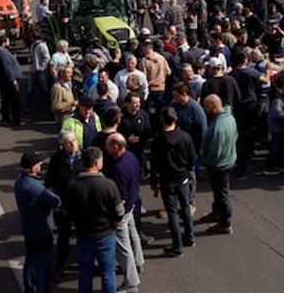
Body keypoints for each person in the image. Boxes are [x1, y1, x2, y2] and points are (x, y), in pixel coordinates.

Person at [64, 147, 124, 293]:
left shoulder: (73, 185)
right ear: (97, 163)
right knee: (108, 272)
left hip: (84, 234)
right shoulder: (108, 185)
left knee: (85, 271)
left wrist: (72, 221)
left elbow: (66, 210)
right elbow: (119, 211)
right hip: (105, 233)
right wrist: (115, 222)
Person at [149, 107, 196, 257]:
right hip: (182, 178)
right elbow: (192, 159)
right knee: (186, 207)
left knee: (172, 212)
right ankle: (189, 237)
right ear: (175, 119)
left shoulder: (158, 140)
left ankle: (177, 246)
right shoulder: (185, 137)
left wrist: (153, 181)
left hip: (167, 180)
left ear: (162, 120)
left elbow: (154, 163)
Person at [14, 150, 60, 293]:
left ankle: (29, 286)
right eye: (38, 163)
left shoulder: (20, 182)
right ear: (32, 168)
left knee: (30, 260)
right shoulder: (33, 187)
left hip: (29, 228)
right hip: (41, 229)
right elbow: (54, 201)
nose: (41, 165)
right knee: (43, 264)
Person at [104, 134, 145, 293]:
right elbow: (140, 175)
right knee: (133, 233)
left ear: (115, 147)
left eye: (108, 146)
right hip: (132, 204)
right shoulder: (131, 157)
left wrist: (116, 218)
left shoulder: (118, 168)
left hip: (122, 210)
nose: (106, 149)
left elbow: (120, 198)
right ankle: (139, 261)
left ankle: (131, 282)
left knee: (122, 247)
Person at [44, 130, 82, 280]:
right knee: (63, 237)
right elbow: (50, 183)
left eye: (74, 140)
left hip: (81, 205)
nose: (73, 144)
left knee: (84, 236)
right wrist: (55, 203)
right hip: (63, 206)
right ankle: (60, 265)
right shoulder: (56, 159)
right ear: (62, 145)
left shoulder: (84, 157)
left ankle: (86, 264)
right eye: (68, 142)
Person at [200, 94, 238, 234]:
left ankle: (225, 223)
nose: (204, 109)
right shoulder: (229, 118)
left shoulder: (219, 126)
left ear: (214, 106)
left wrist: (205, 163)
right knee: (218, 192)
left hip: (219, 165)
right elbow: (235, 136)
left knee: (222, 193)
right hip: (227, 160)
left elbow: (214, 151)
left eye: (206, 106)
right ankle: (217, 212)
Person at [0, 34, 22, 125]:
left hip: (2, 79)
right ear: (4, 42)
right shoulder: (3, 54)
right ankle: (16, 120)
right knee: (15, 100)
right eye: (8, 41)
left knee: (6, 99)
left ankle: (6, 119)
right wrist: (13, 80)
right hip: (7, 80)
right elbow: (7, 68)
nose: (9, 43)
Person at [26, 30, 51, 112]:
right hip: (33, 71)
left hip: (41, 71)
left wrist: (41, 67)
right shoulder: (33, 45)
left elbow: (47, 58)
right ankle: (29, 105)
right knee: (30, 88)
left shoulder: (42, 46)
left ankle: (49, 105)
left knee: (44, 88)